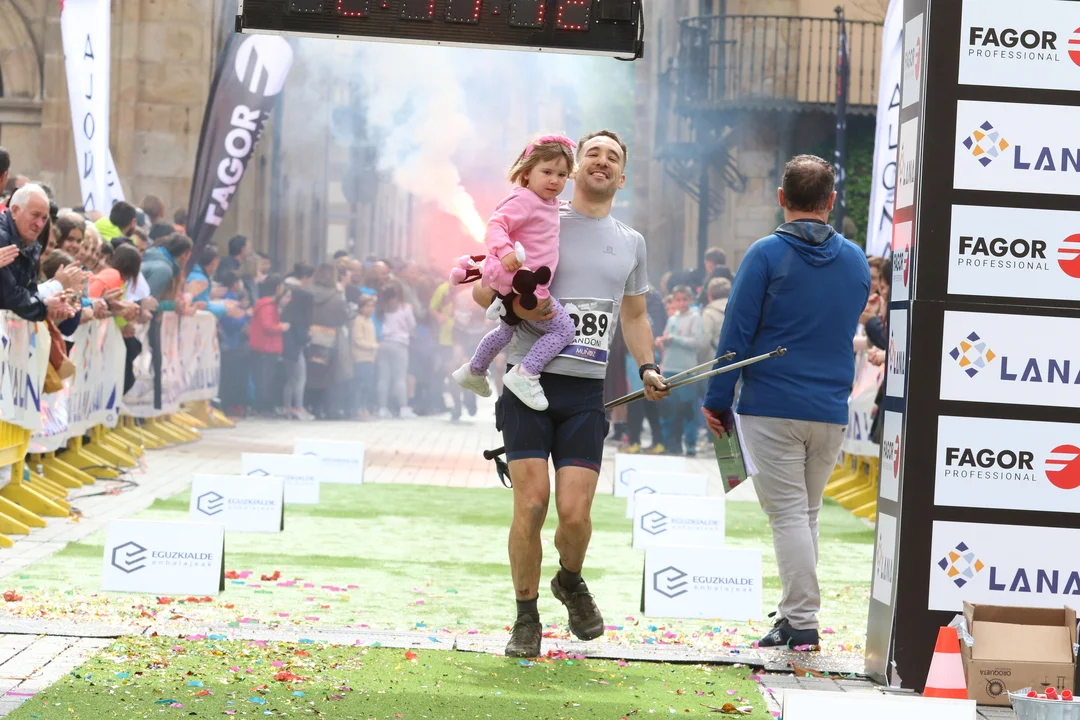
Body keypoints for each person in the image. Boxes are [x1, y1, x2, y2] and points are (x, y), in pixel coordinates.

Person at [471, 130, 669, 658]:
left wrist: (648, 366)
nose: (602, 161)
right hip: (527, 382)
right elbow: (483, 289)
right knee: (532, 503)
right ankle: (526, 618)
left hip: (586, 391)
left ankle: (570, 580)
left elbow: (635, 316)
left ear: (621, 178)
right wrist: (502, 289)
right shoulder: (538, 215)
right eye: (593, 153)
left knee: (576, 515)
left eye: (613, 157)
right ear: (575, 168)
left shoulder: (631, 241)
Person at [701, 154, 871, 651]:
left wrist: (717, 398)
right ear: (831, 201)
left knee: (790, 515)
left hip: (772, 403)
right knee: (806, 513)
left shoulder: (765, 254)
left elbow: (736, 333)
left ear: (781, 198)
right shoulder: (856, 259)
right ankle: (796, 613)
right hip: (830, 408)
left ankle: (801, 620)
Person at [449, 135, 578, 412]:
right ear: (527, 172)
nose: (554, 180)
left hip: (518, 284)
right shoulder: (525, 199)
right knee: (563, 329)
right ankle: (526, 372)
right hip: (526, 283)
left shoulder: (547, 202)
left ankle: (474, 369)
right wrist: (505, 250)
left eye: (562, 175)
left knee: (505, 330)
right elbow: (496, 225)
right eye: (547, 172)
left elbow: (544, 218)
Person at [657, 285, 703, 456]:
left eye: (684, 299)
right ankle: (671, 444)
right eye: (678, 300)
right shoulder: (673, 319)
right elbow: (667, 337)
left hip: (686, 370)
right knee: (669, 409)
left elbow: (696, 342)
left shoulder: (695, 317)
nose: (681, 303)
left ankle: (690, 444)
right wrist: (662, 341)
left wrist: (674, 339)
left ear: (690, 300)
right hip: (669, 368)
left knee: (687, 409)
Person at [375, 282, 416, 419]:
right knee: (400, 378)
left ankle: (382, 408)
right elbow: (412, 326)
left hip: (383, 344)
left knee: (383, 378)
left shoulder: (381, 309)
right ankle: (403, 408)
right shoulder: (405, 308)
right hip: (400, 344)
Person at [249, 275, 289, 416]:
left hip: (263, 346)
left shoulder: (263, 304)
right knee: (265, 379)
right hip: (267, 347)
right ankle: (263, 407)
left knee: (263, 377)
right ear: (277, 288)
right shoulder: (268, 306)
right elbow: (268, 326)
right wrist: (281, 327)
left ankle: (262, 406)